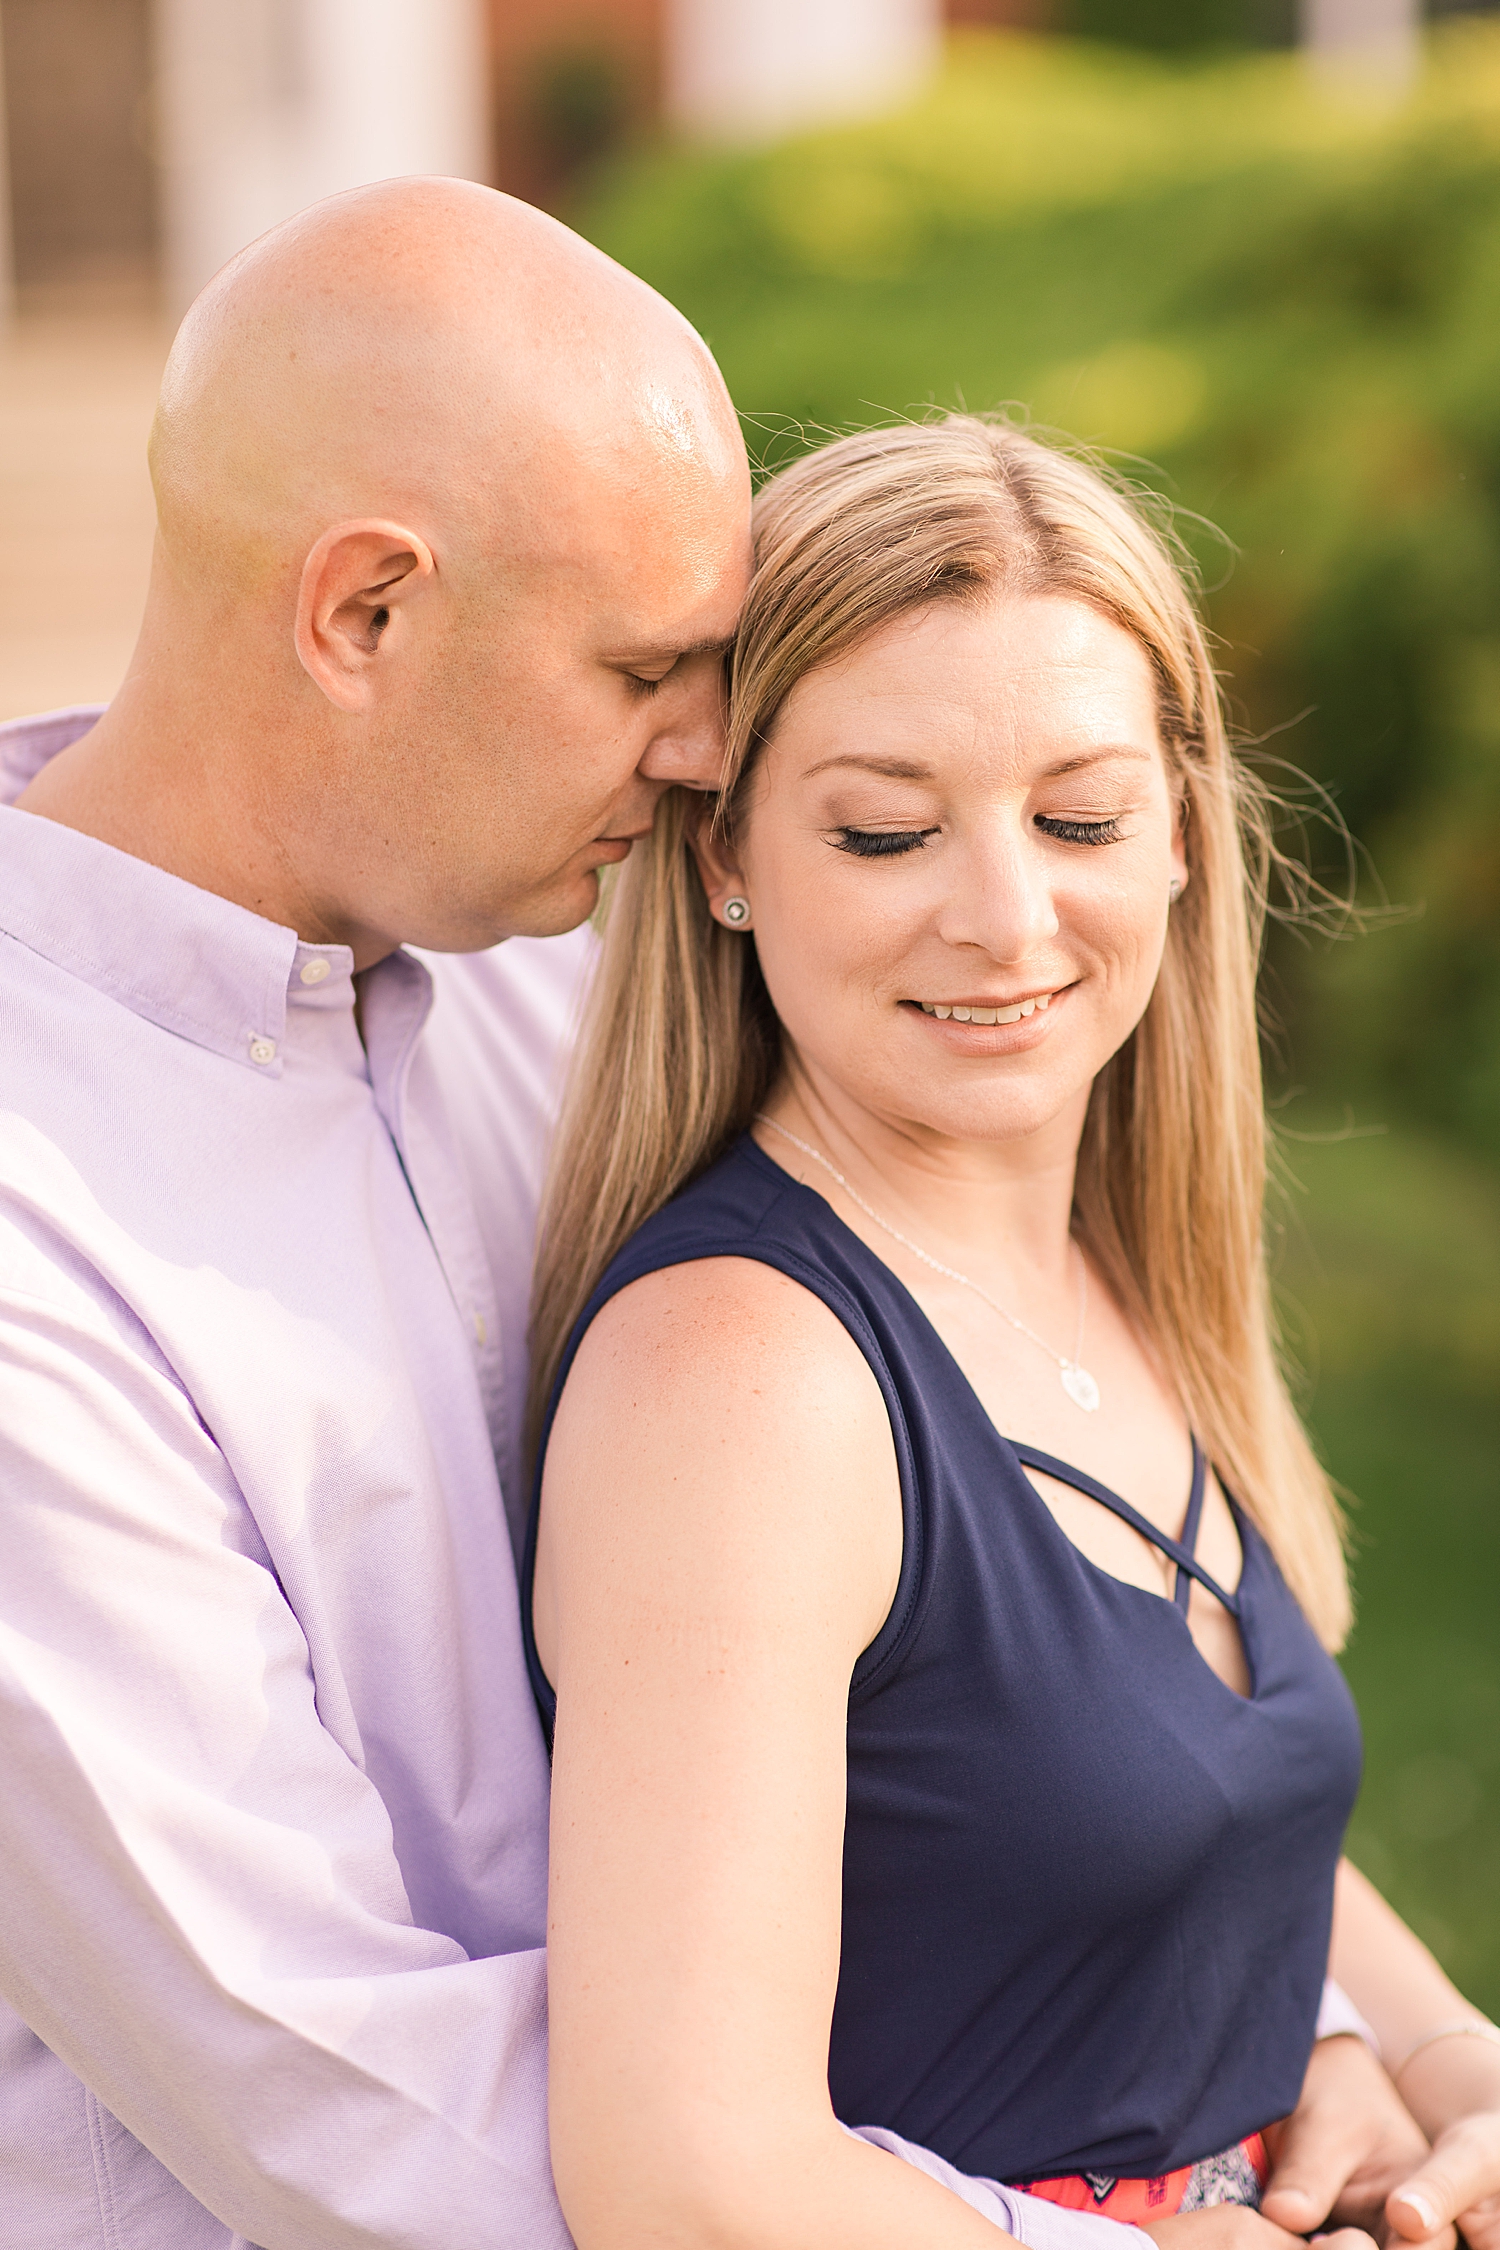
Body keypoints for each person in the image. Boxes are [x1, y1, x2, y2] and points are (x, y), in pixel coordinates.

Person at [0, 177, 1488, 2248]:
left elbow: (994, 1716)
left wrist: (1298, 2036)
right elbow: (336, 2087)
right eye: (645, 669)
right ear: (365, 614)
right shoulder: (31, 1222)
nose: (708, 754)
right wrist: (1120, 2220)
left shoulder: (536, 951)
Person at [523, 418, 1500, 2250]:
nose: (1003, 917)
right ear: (729, 857)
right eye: (886, 828)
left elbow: (1199, 1808)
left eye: (1078, 818)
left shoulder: (1116, 1274)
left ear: (1186, 833)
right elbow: (680, 2178)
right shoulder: (746, 1380)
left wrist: (1450, 2064)